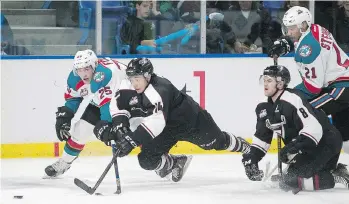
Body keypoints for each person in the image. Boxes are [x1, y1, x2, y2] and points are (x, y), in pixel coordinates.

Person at [94, 57, 251, 182]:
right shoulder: (127, 86)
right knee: (146, 160)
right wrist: (120, 128)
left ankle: (242, 146)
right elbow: (118, 106)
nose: (134, 83)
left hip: (191, 122)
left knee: (217, 143)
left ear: (148, 76)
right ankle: (176, 163)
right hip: (167, 129)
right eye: (132, 79)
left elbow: (157, 122)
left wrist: (131, 140)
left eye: (137, 79)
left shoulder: (159, 89)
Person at [242, 65, 349, 192]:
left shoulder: (293, 99)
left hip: (326, 142)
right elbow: (262, 137)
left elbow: (314, 128)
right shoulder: (263, 107)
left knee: (292, 182)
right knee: (286, 182)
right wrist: (252, 158)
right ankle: (326, 169)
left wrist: (294, 147)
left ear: (280, 84)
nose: (265, 84)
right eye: (264, 80)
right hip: (307, 149)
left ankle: (335, 175)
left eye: (269, 80)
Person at [267, 6, 349, 156]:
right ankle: (331, 166)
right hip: (339, 83)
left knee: (304, 113)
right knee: (344, 135)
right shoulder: (315, 29)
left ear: (303, 25)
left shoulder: (309, 49)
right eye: (287, 28)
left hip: (341, 88)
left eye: (292, 28)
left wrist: (287, 96)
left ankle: (304, 158)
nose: (289, 32)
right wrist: (288, 45)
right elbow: (302, 42)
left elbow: (312, 88)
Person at [44, 50, 127, 177]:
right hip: (103, 100)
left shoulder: (105, 74)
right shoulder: (74, 77)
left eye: (86, 69)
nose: (83, 73)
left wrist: (107, 125)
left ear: (94, 65)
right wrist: (66, 115)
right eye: (79, 69)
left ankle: (159, 160)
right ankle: (64, 163)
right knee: (80, 130)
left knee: (135, 132)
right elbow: (73, 98)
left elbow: (108, 105)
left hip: (129, 100)